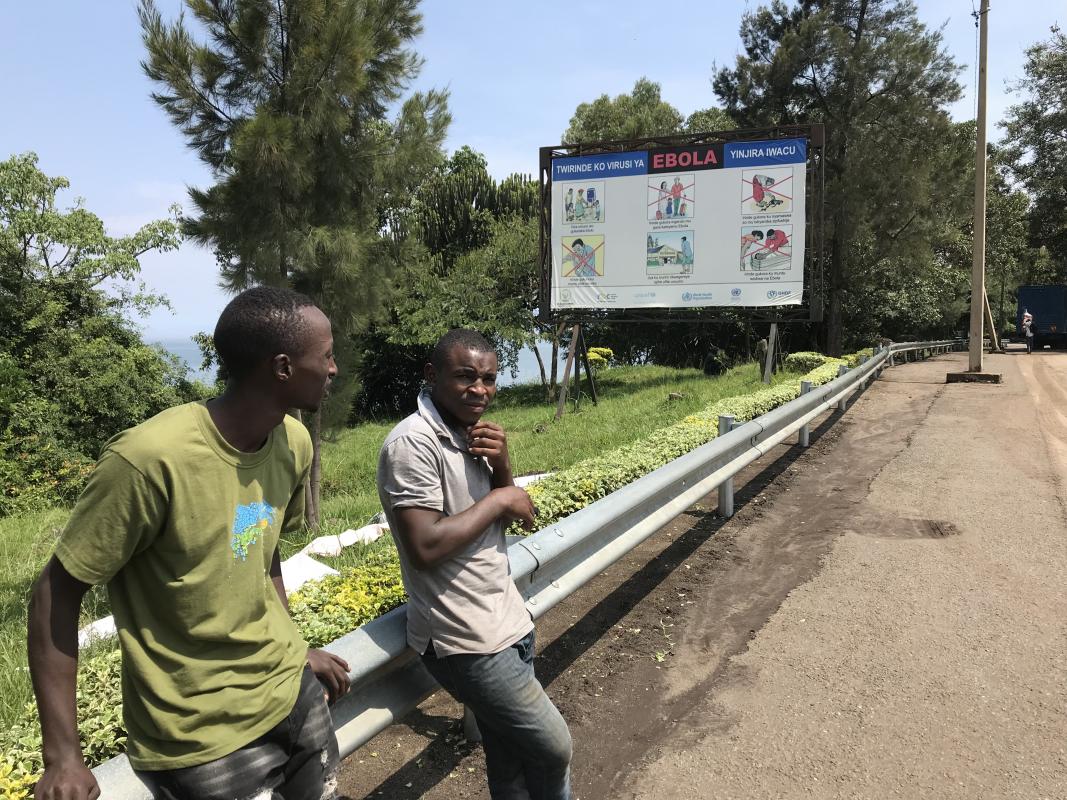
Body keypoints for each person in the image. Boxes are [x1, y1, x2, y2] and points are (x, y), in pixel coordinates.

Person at [27, 286, 351, 800]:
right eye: (327, 355)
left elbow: (261, 556)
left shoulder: (293, 441)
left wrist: (293, 649)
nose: (334, 368)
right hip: (203, 740)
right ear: (283, 367)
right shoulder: (148, 460)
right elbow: (54, 594)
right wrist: (63, 756)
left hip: (294, 697)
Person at [377, 329, 572, 800]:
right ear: (432, 375)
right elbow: (424, 546)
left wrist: (503, 468)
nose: (479, 390)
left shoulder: (471, 434)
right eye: (465, 377)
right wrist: (505, 494)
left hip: (506, 618)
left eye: (488, 379)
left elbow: (511, 521)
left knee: (508, 759)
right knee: (553, 748)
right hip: (466, 640)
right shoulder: (413, 444)